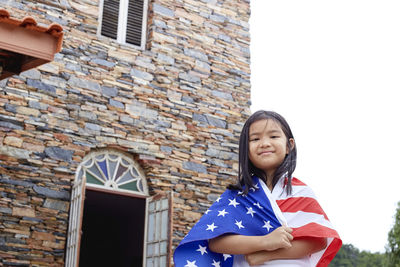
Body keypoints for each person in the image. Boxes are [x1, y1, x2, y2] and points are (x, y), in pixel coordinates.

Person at [173, 110, 341, 267]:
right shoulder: (237, 196)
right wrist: (265, 242)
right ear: (246, 149)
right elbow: (216, 242)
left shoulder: (301, 192)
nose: (264, 143)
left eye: (273, 136)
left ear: (289, 145)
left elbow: (318, 241)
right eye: (255, 139)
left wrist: (266, 255)